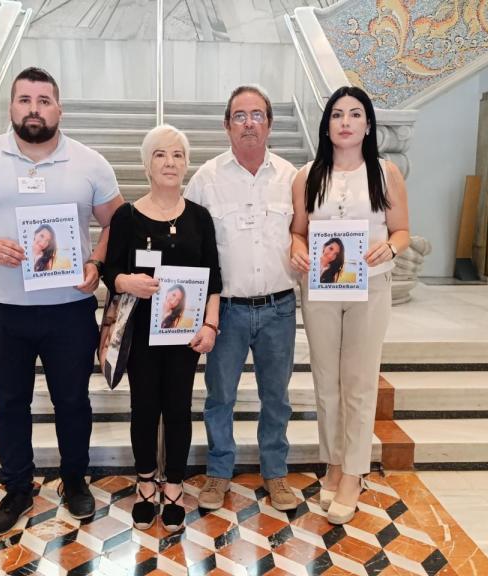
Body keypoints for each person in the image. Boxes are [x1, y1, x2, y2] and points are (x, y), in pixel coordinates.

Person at [0, 66, 124, 535]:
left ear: (59, 108)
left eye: (43, 100)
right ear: (11, 106)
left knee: (73, 401)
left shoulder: (90, 162)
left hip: (68, 308)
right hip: (1, 308)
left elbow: (118, 223)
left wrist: (97, 265)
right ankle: (17, 488)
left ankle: (75, 480)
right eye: (24, 100)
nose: (34, 109)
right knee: (9, 403)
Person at [289, 85, 410, 525]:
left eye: (354, 114)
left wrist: (391, 250)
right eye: (337, 114)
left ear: (368, 124)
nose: (345, 122)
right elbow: (299, 230)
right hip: (320, 289)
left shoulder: (384, 173)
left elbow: (401, 231)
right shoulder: (308, 175)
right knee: (326, 381)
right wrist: (297, 246)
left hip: (369, 288)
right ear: (326, 125)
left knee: (359, 382)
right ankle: (333, 463)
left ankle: (354, 473)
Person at [184, 85, 301, 512]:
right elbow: (192, 247)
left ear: (269, 123)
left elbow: (303, 235)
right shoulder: (206, 179)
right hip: (227, 311)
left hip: (279, 308)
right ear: (226, 125)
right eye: (239, 116)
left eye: (256, 115)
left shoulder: (292, 178)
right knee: (220, 397)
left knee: (277, 397)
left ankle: (275, 473)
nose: (248, 123)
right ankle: (218, 473)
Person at [103, 124, 222, 532]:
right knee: (144, 408)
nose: (169, 162)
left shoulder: (200, 219)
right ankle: (145, 484)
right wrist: (125, 282)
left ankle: (173, 485)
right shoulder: (127, 216)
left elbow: (214, 278)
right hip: (140, 333)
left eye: (177, 155)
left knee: (177, 409)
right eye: (160, 155)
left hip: (184, 335)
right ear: (147, 164)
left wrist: (210, 324)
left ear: (186, 164)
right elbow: (110, 272)